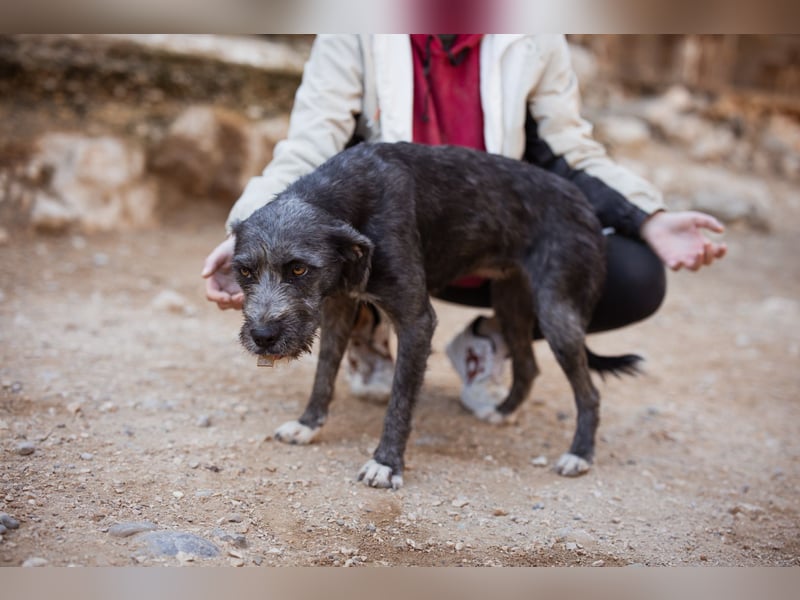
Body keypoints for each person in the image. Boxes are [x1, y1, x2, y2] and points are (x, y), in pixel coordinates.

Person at [202, 34, 727, 415]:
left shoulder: (536, 31)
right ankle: (366, 323)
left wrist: (647, 216)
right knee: (327, 240)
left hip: (484, 232)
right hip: (383, 246)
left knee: (635, 273)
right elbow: (309, 146)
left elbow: (569, 152)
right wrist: (249, 233)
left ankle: (497, 335)